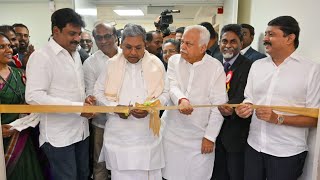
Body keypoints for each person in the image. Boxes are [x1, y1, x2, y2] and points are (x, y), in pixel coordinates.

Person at [235, 16, 320, 180]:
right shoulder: (257, 66)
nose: (265, 39)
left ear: (290, 38)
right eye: (266, 34)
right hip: (254, 147)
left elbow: (315, 117)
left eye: (271, 34)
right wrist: (244, 109)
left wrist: (278, 118)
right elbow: (249, 99)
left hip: (287, 153)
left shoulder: (311, 70)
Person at [25, 8, 95, 180]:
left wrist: (85, 99)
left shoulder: (75, 54)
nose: (77, 39)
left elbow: (71, 89)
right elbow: (33, 97)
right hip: (59, 137)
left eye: (79, 34)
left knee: (83, 175)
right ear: (56, 31)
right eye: (72, 33)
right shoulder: (42, 57)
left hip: (81, 131)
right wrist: (78, 107)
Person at [94, 23, 166, 180]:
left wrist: (151, 107)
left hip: (147, 135)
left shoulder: (156, 64)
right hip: (119, 137)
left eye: (138, 47)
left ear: (145, 45)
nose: (133, 52)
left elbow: (166, 92)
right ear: (120, 43)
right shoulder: (111, 64)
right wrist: (115, 108)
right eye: (128, 47)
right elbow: (97, 93)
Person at [161, 25, 227, 180]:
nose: (182, 47)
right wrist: (181, 99)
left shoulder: (215, 68)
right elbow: (172, 85)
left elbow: (219, 105)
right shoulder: (174, 61)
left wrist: (210, 137)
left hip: (199, 138)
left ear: (203, 47)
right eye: (182, 42)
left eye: (188, 44)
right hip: (172, 134)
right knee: (169, 175)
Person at [0, 32, 44, 180]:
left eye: (9, 46)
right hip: (2, 139)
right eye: (1, 47)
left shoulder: (21, 74)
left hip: (22, 137)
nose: (9, 50)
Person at [211, 24, 252, 180]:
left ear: (241, 43)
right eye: (224, 41)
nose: (228, 45)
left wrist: (230, 108)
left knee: (234, 174)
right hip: (212, 134)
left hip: (235, 134)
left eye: (233, 41)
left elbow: (244, 94)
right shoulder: (213, 63)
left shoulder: (248, 66)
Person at [83, 22, 120, 180]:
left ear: (116, 37)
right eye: (98, 37)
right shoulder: (90, 63)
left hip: (129, 122)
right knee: (100, 162)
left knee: (124, 161)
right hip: (101, 123)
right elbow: (91, 92)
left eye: (107, 36)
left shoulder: (128, 56)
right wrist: (114, 106)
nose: (103, 41)